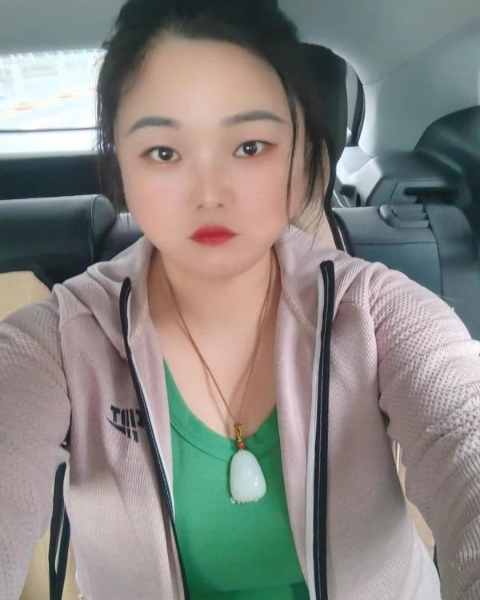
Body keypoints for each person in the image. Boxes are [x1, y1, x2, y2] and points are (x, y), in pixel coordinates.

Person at [1, 1, 480, 599]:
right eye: (164, 152)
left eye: (250, 146)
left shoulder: (378, 314)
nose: (209, 193)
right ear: (120, 164)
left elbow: (465, 431)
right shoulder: (59, 343)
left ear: (300, 154)